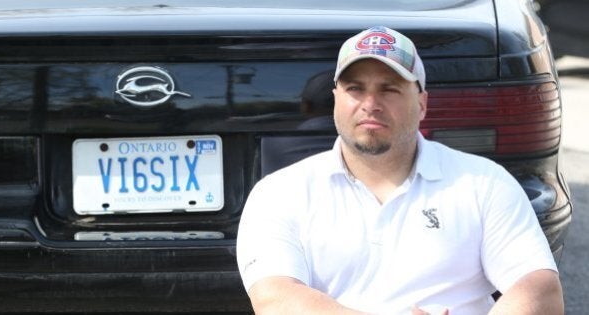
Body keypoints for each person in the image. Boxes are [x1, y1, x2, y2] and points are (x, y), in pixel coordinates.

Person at [236, 26, 563, 314]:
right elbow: (275, 298)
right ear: (336, 99)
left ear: (422, 103)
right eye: (355, 89)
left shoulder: (484, 183)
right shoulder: (280, 193)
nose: (370, 103)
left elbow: (538, 287)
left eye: (389, 88)